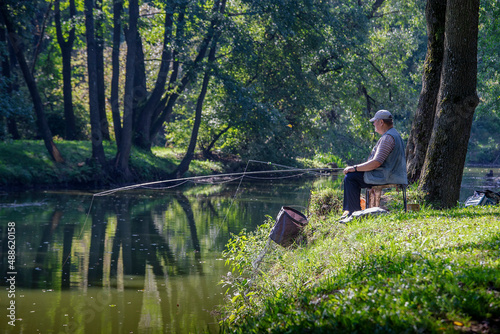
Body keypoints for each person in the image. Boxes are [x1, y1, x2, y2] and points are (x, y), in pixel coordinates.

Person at [341, 109, 408, 219]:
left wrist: (355, 168)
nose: (373, 124)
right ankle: (352, 212)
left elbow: (376, 163)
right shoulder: (393, 134)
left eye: (375, 121)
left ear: (381, 122)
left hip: (386, 176)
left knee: (350, 177)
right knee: (353, 176)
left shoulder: (387, 138)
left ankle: (353, 214)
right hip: (390, 174)